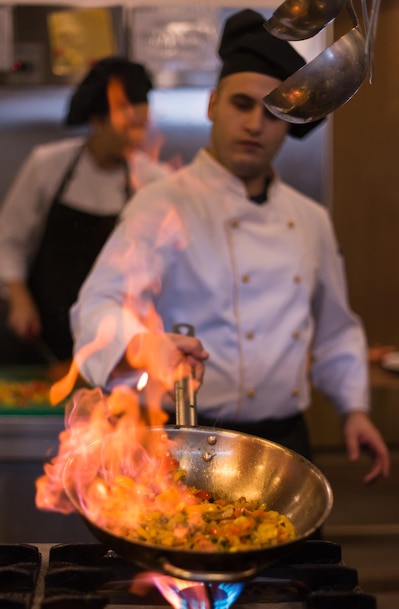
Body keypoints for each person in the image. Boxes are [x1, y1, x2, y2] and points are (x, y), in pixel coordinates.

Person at [70, 10, 390, 483]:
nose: (255, 125)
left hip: (286, 446)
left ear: (290, 123)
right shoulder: (160, 204)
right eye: (242, 104)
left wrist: (354, 409)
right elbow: (96, 305)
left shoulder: (310, 219)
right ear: (212, 104)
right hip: (188, 444)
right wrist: (140, 345)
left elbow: (336, 330)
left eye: (273, 112)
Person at [0, 56, 172, 366]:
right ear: (97, 120)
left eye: (142, 126)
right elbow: (9, 239)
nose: (137, 137)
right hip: (40, 333)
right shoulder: (47, 164)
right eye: (128, 126)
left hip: (113, 342)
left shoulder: (153, 180)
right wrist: (19, 297)